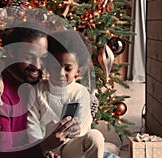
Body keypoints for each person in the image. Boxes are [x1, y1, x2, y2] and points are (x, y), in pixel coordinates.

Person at [0, 22, 80, 158]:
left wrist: (46, 152)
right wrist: (44, 146)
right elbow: (1, 155)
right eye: (29, 57)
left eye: (43, 58)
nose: (38, 66)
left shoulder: (32, 84)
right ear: (11, 52)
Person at [27, 29, 105, 158]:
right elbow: (31, 125)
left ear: (78, 72)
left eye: (68, 69)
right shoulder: (37, 91)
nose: (61, 73)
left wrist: (75, 130)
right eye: (55, 67)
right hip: (45, 146)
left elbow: (84, 126)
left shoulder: (80, 93)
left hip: (70, 146)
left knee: (95, 137)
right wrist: (45, 148)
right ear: (47, 66)